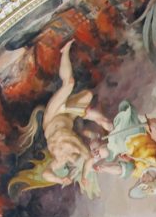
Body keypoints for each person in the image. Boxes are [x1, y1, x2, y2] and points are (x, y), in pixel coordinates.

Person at [10, 40, 110, 196]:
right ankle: (96, 118)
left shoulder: (59, 159)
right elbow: (89, 158)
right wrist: (87, 174)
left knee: (68, 84)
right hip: (67, 117)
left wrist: (59, 179)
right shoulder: (79, 148)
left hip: (53, 116)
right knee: (87, 96)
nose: (73, 158)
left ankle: (64, 51)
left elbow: (45, 174)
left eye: (73, 161)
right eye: (76, 159)